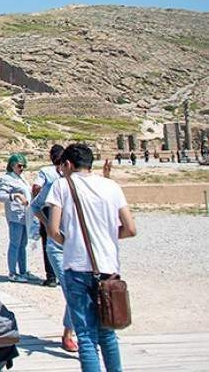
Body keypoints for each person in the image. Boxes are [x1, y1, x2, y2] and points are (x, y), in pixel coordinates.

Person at [47, 143, 137, 372]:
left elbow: (53, 230)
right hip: (108, 268)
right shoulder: (112, 186)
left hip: (76, 267)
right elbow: (130, 229)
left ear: (67, 164)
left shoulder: (61, 185)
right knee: (108, 333)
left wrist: (72, 242)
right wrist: (105, 237)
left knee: (86, 337)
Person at [30, 145, 78, 352]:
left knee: (77, 291)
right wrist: (49, 226)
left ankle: (73, 333)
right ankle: (71, 334)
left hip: (78, 246)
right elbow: (34, 205)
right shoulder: (55, 186)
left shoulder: (83, 185)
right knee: (72, 291)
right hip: (59, 247)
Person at [0, 153, 35, 282]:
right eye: (20, 166)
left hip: (25, 215)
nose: (22, 168)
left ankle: (23, 270)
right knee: (15, 244)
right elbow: (1, 196)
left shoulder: (21, 178)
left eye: (23, 166)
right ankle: (12, 272)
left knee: (23, 244)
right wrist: (15, 196)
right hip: (15, 215)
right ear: (12, 165)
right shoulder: (6, 179)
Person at [31, 146, 62, 288]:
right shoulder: (66, 171)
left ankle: (51, 276)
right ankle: (63, 275)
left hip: (48, 208)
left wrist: (36, 199)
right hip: (65, 209)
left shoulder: (46, 171)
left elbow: (36, 186)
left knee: (48, 243)